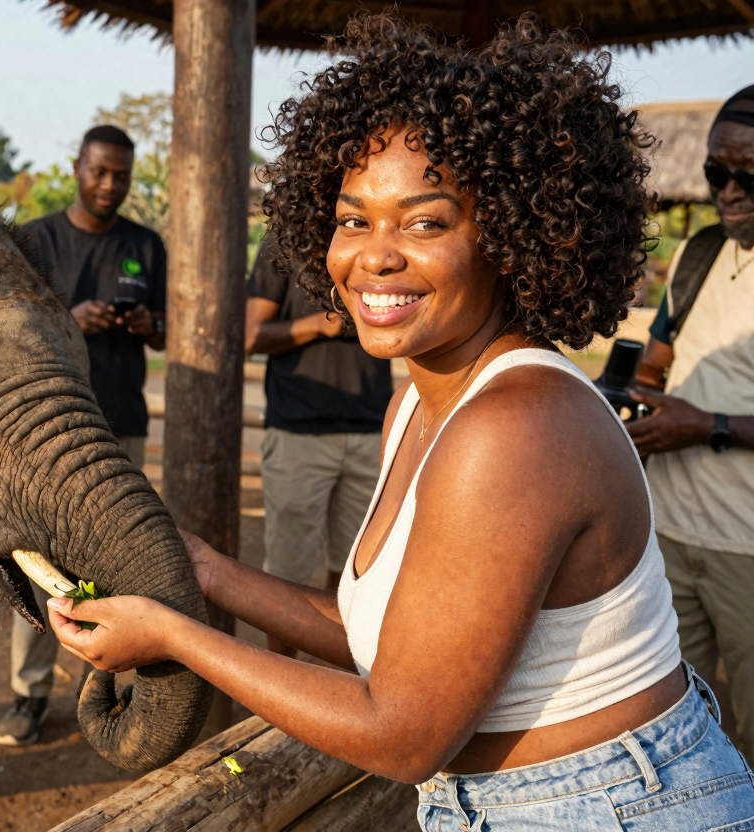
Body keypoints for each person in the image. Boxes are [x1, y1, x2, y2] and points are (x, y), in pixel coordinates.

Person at [45, 15, 754, 830]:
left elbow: (404, 733)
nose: (374, 255)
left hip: (605, 808)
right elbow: (390, 638)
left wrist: (174, 636)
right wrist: (204, 570)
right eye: (354, 219)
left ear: (513, 236)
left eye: (424, 222)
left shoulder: (517, 426)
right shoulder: (418, 403)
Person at [0, 125, 166, 747]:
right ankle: (29, 692)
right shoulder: (35, 239)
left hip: (122, 423)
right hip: (46, 433)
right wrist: (71, 321)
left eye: (121, 175)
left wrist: (146, 324)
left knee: (118, 560)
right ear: (76, 169)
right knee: (39, 564)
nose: (110, 184)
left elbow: (166, 332)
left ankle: (108, 689)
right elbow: (6, 330)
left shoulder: (145, 244)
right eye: (99, 171)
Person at [627, 86, 754, 759]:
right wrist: (633, 403)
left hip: (747, 547)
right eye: (715, 172)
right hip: (669, 535)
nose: (727, 191)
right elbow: (656, 365)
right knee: (679, 729)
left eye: (747, 174)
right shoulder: (699, 253)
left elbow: (700, 416)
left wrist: (706, 424)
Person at [245, 232, 391, 656]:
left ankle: (335, 678)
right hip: (299, 434)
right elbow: (251, 336)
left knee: (356, 575)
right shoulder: (283, 244)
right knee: (288, 573)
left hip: (370, 430)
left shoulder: (378, 241)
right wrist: (318, 325)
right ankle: (280, 679)